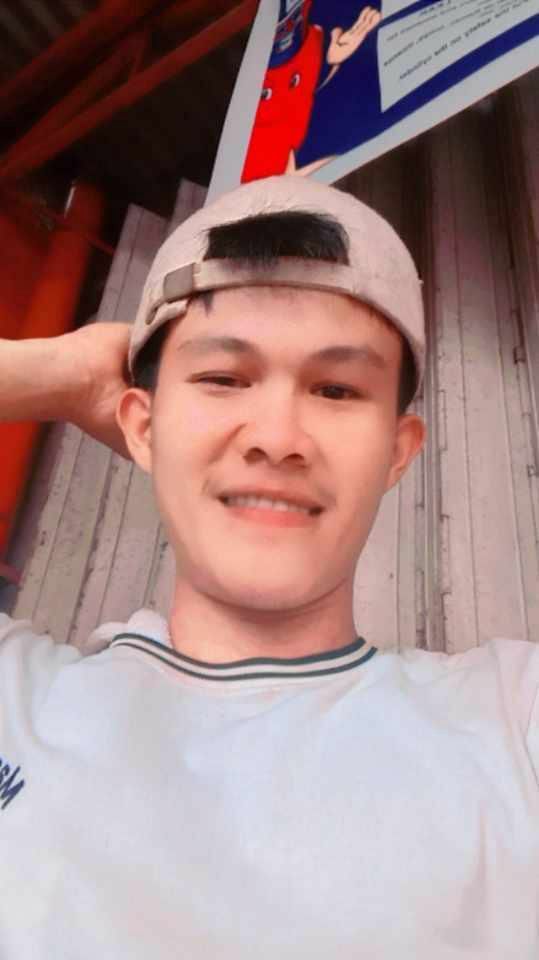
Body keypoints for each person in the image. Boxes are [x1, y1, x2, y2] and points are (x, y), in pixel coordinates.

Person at [0, 175, 537, 959]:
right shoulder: (16, 698)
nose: (277, 437)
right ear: (141, 427)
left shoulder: (509, 723)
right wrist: (61, 374)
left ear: (397, 453)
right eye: (222, 378)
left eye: (335, 389)